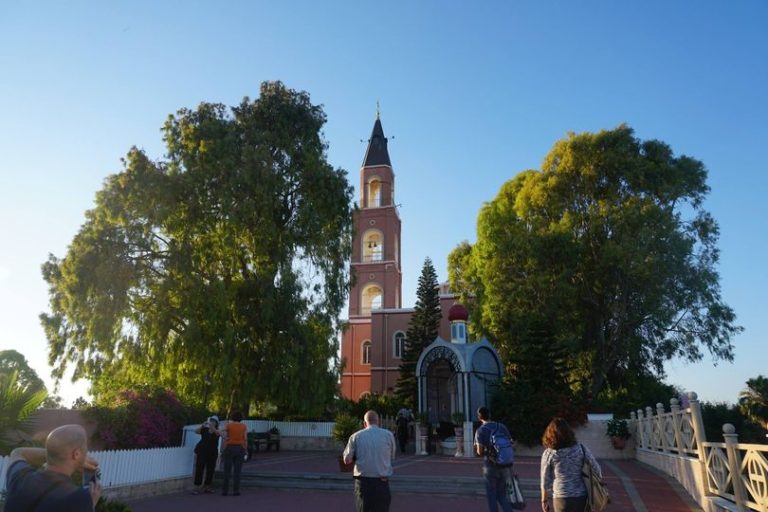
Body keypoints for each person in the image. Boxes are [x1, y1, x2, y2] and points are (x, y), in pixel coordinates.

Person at [4, 424, 102, 511]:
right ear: (76, 454)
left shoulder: (20, 478)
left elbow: (17, 452)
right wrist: (90, 504)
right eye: (85, 446)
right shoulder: (79, 500)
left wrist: (54, 453)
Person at [540, 417, 603, 512]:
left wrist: (544, 500)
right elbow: (597, 470)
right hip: (581, 497)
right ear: (569, 433)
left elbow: (545, 481)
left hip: (561, 498)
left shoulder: (549, 453)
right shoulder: (581, 449)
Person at [343, 410, 397, 512]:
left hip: (363, 483)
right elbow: (392, 456)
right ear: (379, 421)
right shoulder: (389, 435)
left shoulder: (356, 436)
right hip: (382, 482)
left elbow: (347, 460)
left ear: (364, 423)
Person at [474, 406, 515, 512]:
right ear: (490, 415)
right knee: (502, 494)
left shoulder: (480, 431)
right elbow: (511, 443)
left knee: (491, 495)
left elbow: (480, 452)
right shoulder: (501, 426)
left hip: (490, 466)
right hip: (504, 464)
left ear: (479, 418)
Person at [191, 415, 221, 494]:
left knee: (210, 469)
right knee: (199, 468)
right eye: (211, 420)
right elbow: (196, 431)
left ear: (216, 423)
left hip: (212, 453)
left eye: (214, 421)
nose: (212, 422)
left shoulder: (217, 430)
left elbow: (219, 434)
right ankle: (196, 487)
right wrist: (202, 425)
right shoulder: (204, 429)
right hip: (202, 451)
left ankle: (207, 486)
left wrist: (212, 428)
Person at [220, 410, 247, 496]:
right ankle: (236, 491)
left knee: (227, 470)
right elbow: (245, 439)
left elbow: (220, 431)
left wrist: (225, 438)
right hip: (240, 448)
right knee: (237, 471)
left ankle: (225, 491)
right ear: (241, 418)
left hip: (230, 447)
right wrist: (245, 450)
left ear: (232, 417)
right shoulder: (244, 426)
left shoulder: (229, 425)